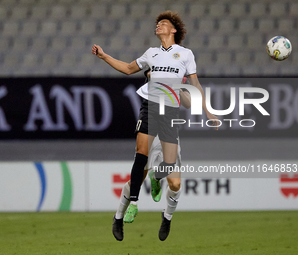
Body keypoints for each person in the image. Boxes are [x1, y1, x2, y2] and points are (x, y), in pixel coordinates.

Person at [92, 10, 218, 239]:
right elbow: (128, 69)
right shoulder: (151, 54)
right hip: (150, 108)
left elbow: (194, 88)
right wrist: (104, 56)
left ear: (174, 30)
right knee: (139, 161)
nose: (158, 26)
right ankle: (122, 213)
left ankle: (166, 216)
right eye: (157, 23)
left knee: (176, 183)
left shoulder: (186, 54)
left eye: (163, 23)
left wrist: (208, 111)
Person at [112, 71, 191, 241]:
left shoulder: (180, 68)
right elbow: (144, 72)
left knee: (175, 183)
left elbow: (189, 103)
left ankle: (167, 218)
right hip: (150, 123)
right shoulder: (156, 59)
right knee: (137, 180)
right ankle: (118, 217)